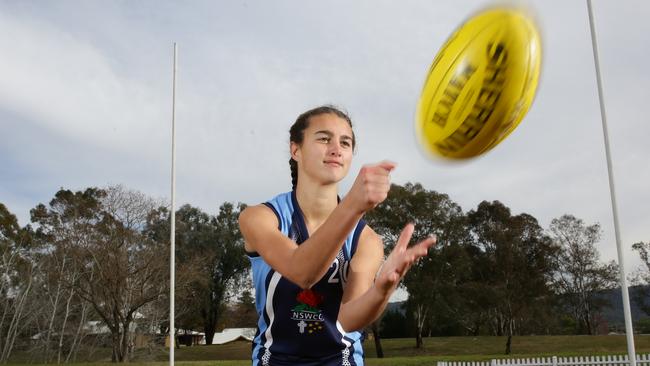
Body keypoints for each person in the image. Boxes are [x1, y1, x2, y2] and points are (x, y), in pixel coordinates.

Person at [239, 105, 436, 366]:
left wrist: (381, 290)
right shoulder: (259, 218)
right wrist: (353, 204)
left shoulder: (366, 239)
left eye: (345, 142)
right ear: (295, 149)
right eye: (323, 138)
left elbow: (347, 320)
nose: (336, 148)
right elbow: (302, 271)